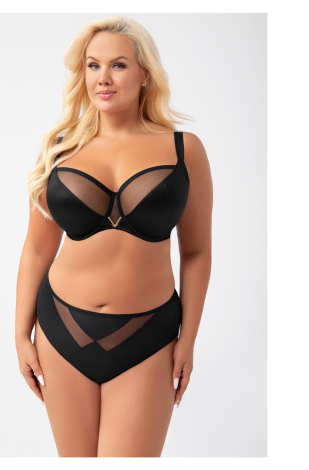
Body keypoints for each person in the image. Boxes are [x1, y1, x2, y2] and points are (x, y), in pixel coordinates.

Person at [15, 15, 213, 457]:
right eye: (93, 65)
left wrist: (189, 338)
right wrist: (20, 335)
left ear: (145, 75)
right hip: (61, 327)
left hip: (149, 334)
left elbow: (197, 251)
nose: (102, 78)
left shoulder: (185, 150)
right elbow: (37, 250)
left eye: (118, 65)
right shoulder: (60, 150)